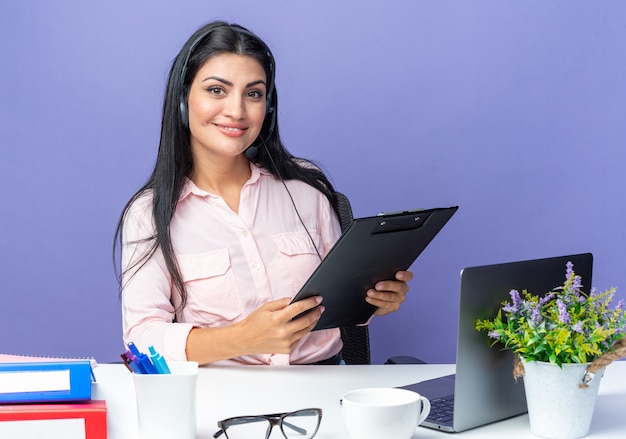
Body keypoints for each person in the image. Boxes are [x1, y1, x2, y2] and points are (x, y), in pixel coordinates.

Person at [114, 21, 413, 366]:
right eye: (216, 90)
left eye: (253, 93)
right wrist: (242, 338)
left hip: (325, 387)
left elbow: (342, 296)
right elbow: (142, 337)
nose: (237, 111)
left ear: (268, 108)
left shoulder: (305, 189)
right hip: (222, 401)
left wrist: (375, 300)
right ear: (183, 101)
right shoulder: (150, 213)